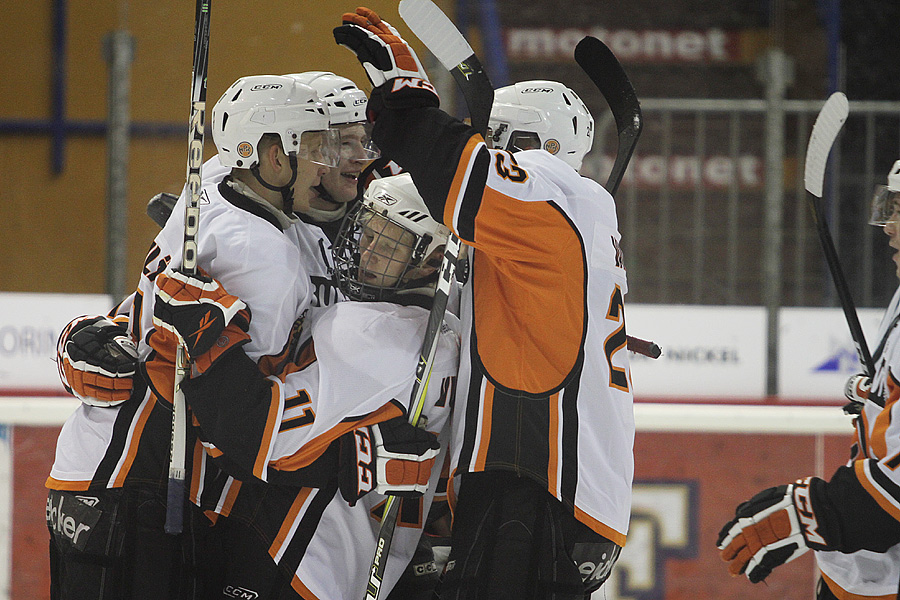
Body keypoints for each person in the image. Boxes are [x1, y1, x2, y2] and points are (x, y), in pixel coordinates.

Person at [335, 8, 633, 599]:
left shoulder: (549, 196)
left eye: (497, 137)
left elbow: (455, 168)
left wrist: (403, 97)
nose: (488, 146)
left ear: (532, 145)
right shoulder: (576, 211)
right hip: (557, 490)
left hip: (535, 488)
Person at [47, 74, 342, 599]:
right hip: (144, 488)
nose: (328, 164)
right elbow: (232, 414)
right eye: (316, 148)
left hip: (85, 468)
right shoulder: (269, 257)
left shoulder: (209, 186)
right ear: (273, 158)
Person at [146, 173, 458, 599]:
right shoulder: (448, 338)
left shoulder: (380, 338)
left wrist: (211, 340)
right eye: (368, 232)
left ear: (434, 259)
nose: (366, 250)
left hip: (296, 560)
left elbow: (257, 441)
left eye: (388, 244)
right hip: (352, 567)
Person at [717, 160, 900, 599]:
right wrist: (876, 398)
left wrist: (815, 512)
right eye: (889, 208)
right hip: (870, 571)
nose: (888, 227)